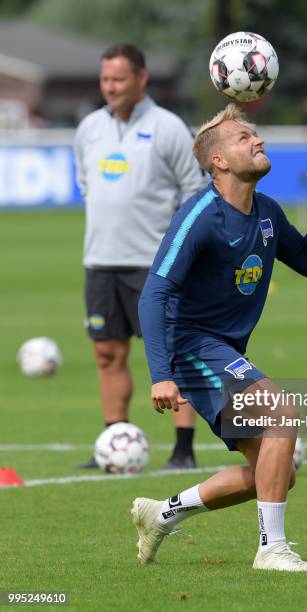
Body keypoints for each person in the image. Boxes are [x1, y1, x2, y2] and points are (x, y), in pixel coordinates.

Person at [134, 104, 307, 572]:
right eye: (244, 137)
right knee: (282, 413)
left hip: (224, 350)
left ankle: (159, 514)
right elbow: (153, 295)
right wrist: (161, 376)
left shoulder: (266, 211)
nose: (257, 141)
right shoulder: (200, 216)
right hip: (192, 348)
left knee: (278, 472)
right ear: (218, 161)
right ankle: (272, 550)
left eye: (255, 134)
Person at [74, 44, 207, 470]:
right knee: (107, 354)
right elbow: (86, 184)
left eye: (118, 79)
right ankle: (114, 441)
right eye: (104, 80)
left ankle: (183, 448)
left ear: (141, 79)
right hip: (100, 261)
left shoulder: (168, 128)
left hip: (155, 265)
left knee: (172, 354)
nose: (109, 87)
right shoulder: (89, 128)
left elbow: (195, 192)